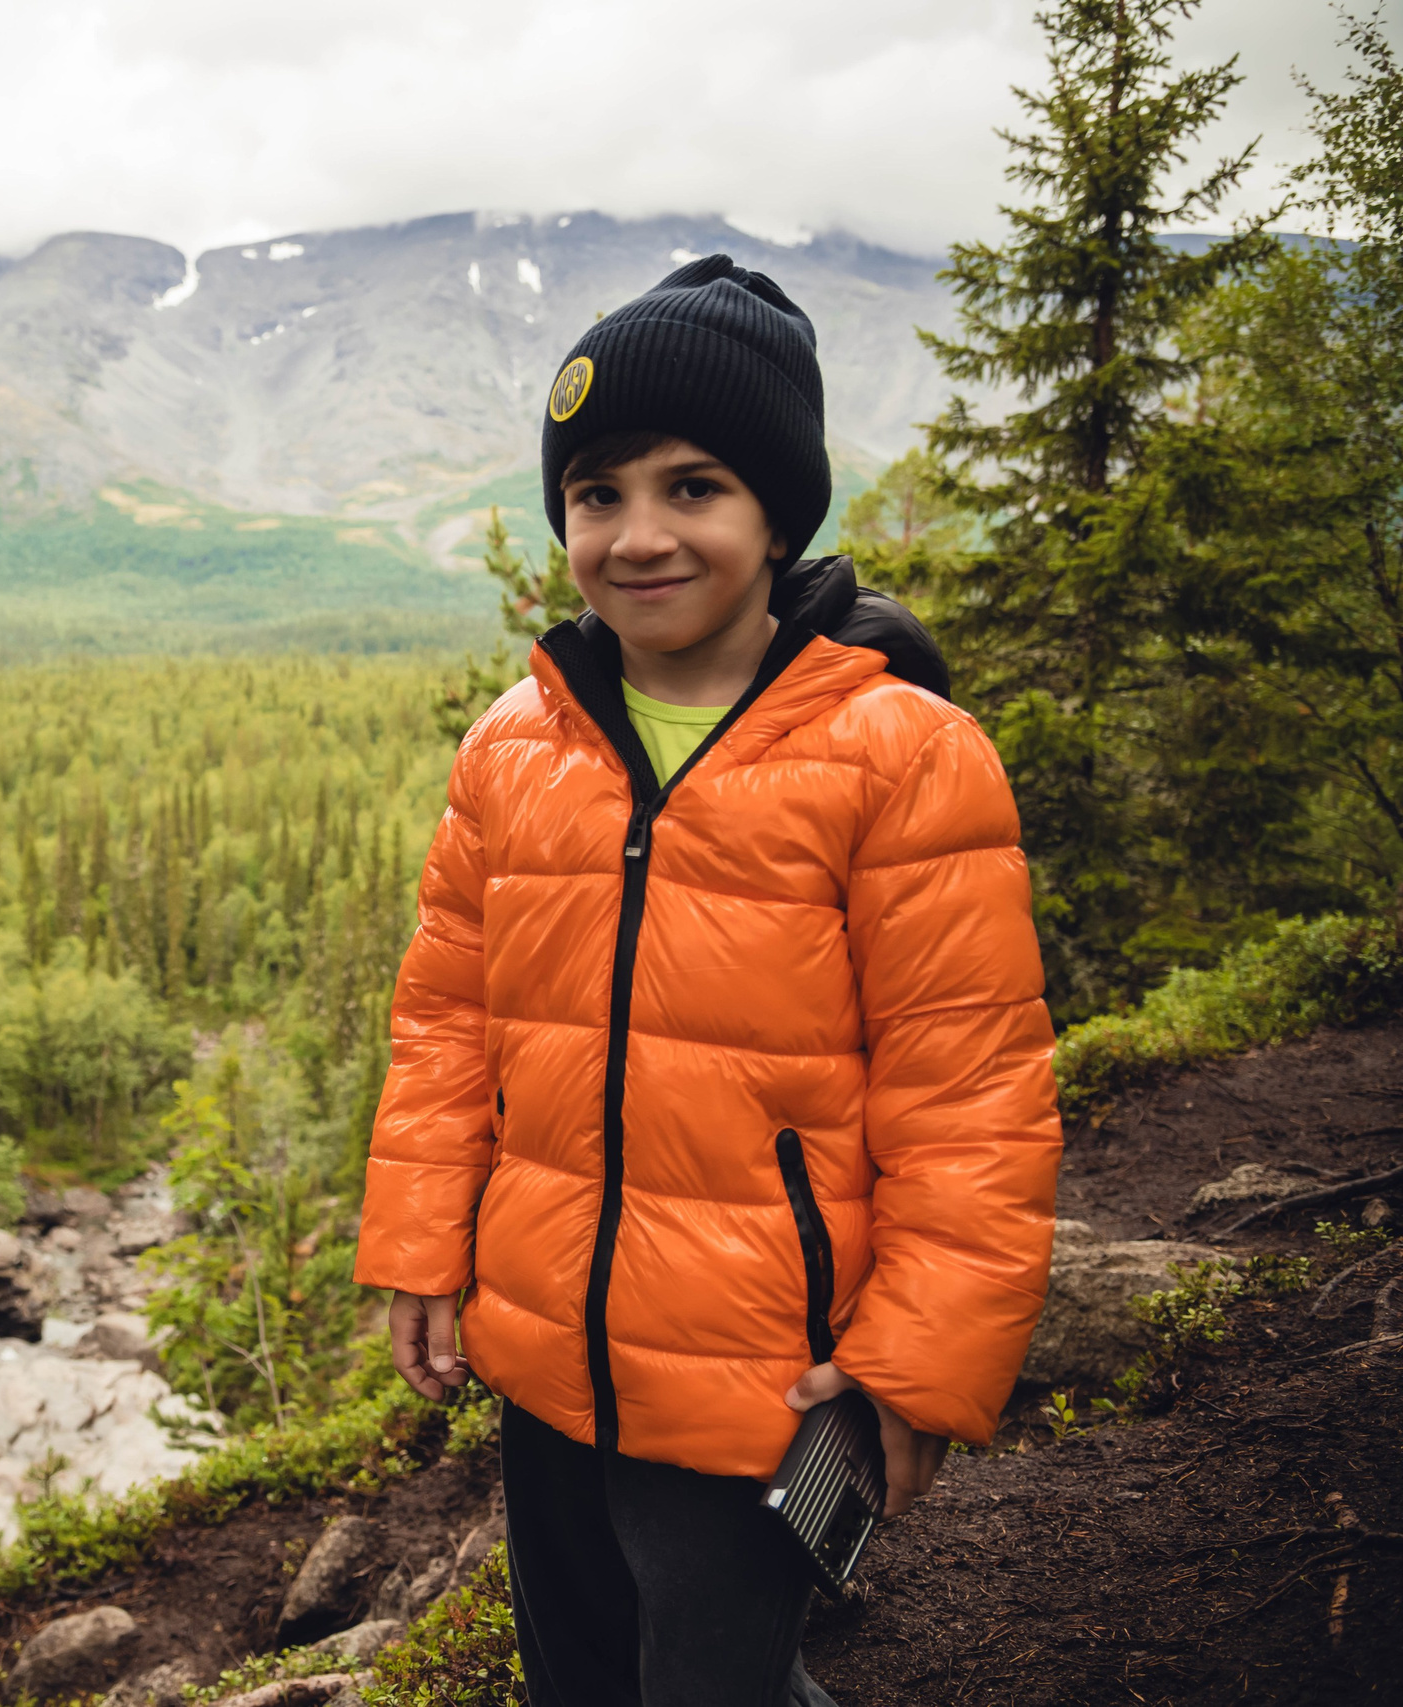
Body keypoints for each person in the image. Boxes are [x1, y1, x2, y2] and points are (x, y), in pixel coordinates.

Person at [354, 254, 1060, 1707]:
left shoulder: (903, 758)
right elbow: (448, 1020)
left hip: (767, 1376)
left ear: (777, 514)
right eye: (596, 493)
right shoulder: (515, 747)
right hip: (547, 1349)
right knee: (575, 1678)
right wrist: (422, 1244)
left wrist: (915, 1364)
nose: (638, 536)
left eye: (694, 488)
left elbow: (970, 1097)